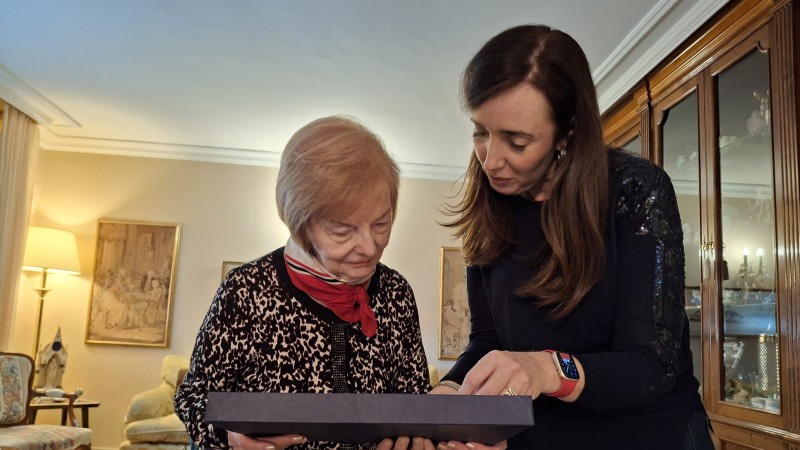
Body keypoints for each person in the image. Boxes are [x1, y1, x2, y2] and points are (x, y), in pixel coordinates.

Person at [430, 25, 715, 450]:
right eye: (480, 132)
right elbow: (487, 344)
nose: (491, 159)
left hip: (648, 435)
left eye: (517, 140)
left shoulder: (636, 190)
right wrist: (449, 395)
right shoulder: (490, 205)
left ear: (567, 133)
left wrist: (545, 369)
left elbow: (650, 366)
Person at [175, 116, 432, 450]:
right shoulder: (245, 290)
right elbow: (193, 399)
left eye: (381, 223)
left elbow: (415, 403)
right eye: (343, 230)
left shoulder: (397, 293)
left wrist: (416, 438)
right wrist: (229, 438)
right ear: (299, 221)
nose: (370, 246)